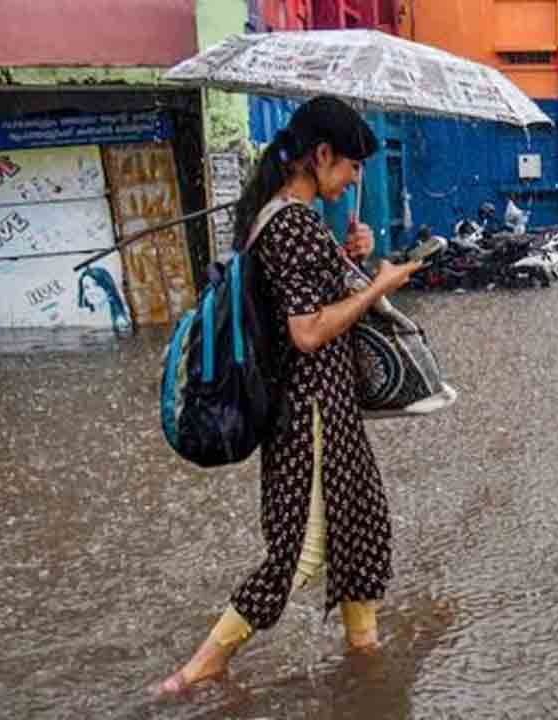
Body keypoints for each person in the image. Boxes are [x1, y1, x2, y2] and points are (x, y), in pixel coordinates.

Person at [156, 96, 423, 695]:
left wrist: (348, 257)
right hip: (312, 411)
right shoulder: (294, 223)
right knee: (296, 552)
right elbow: (306, 332)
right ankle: (203, 666)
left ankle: (364, 649)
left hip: (329, 407)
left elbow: (301, 295)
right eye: (351, 165)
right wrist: (378, 284)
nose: (354, 178)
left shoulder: (284, 218)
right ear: (321, 155)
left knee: (362, 524)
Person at [77, 266, 132, 333]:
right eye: (86, 287)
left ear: (108, 287)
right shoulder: (86, 317)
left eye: (96, 285)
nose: (91, 291)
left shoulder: (120, 318)